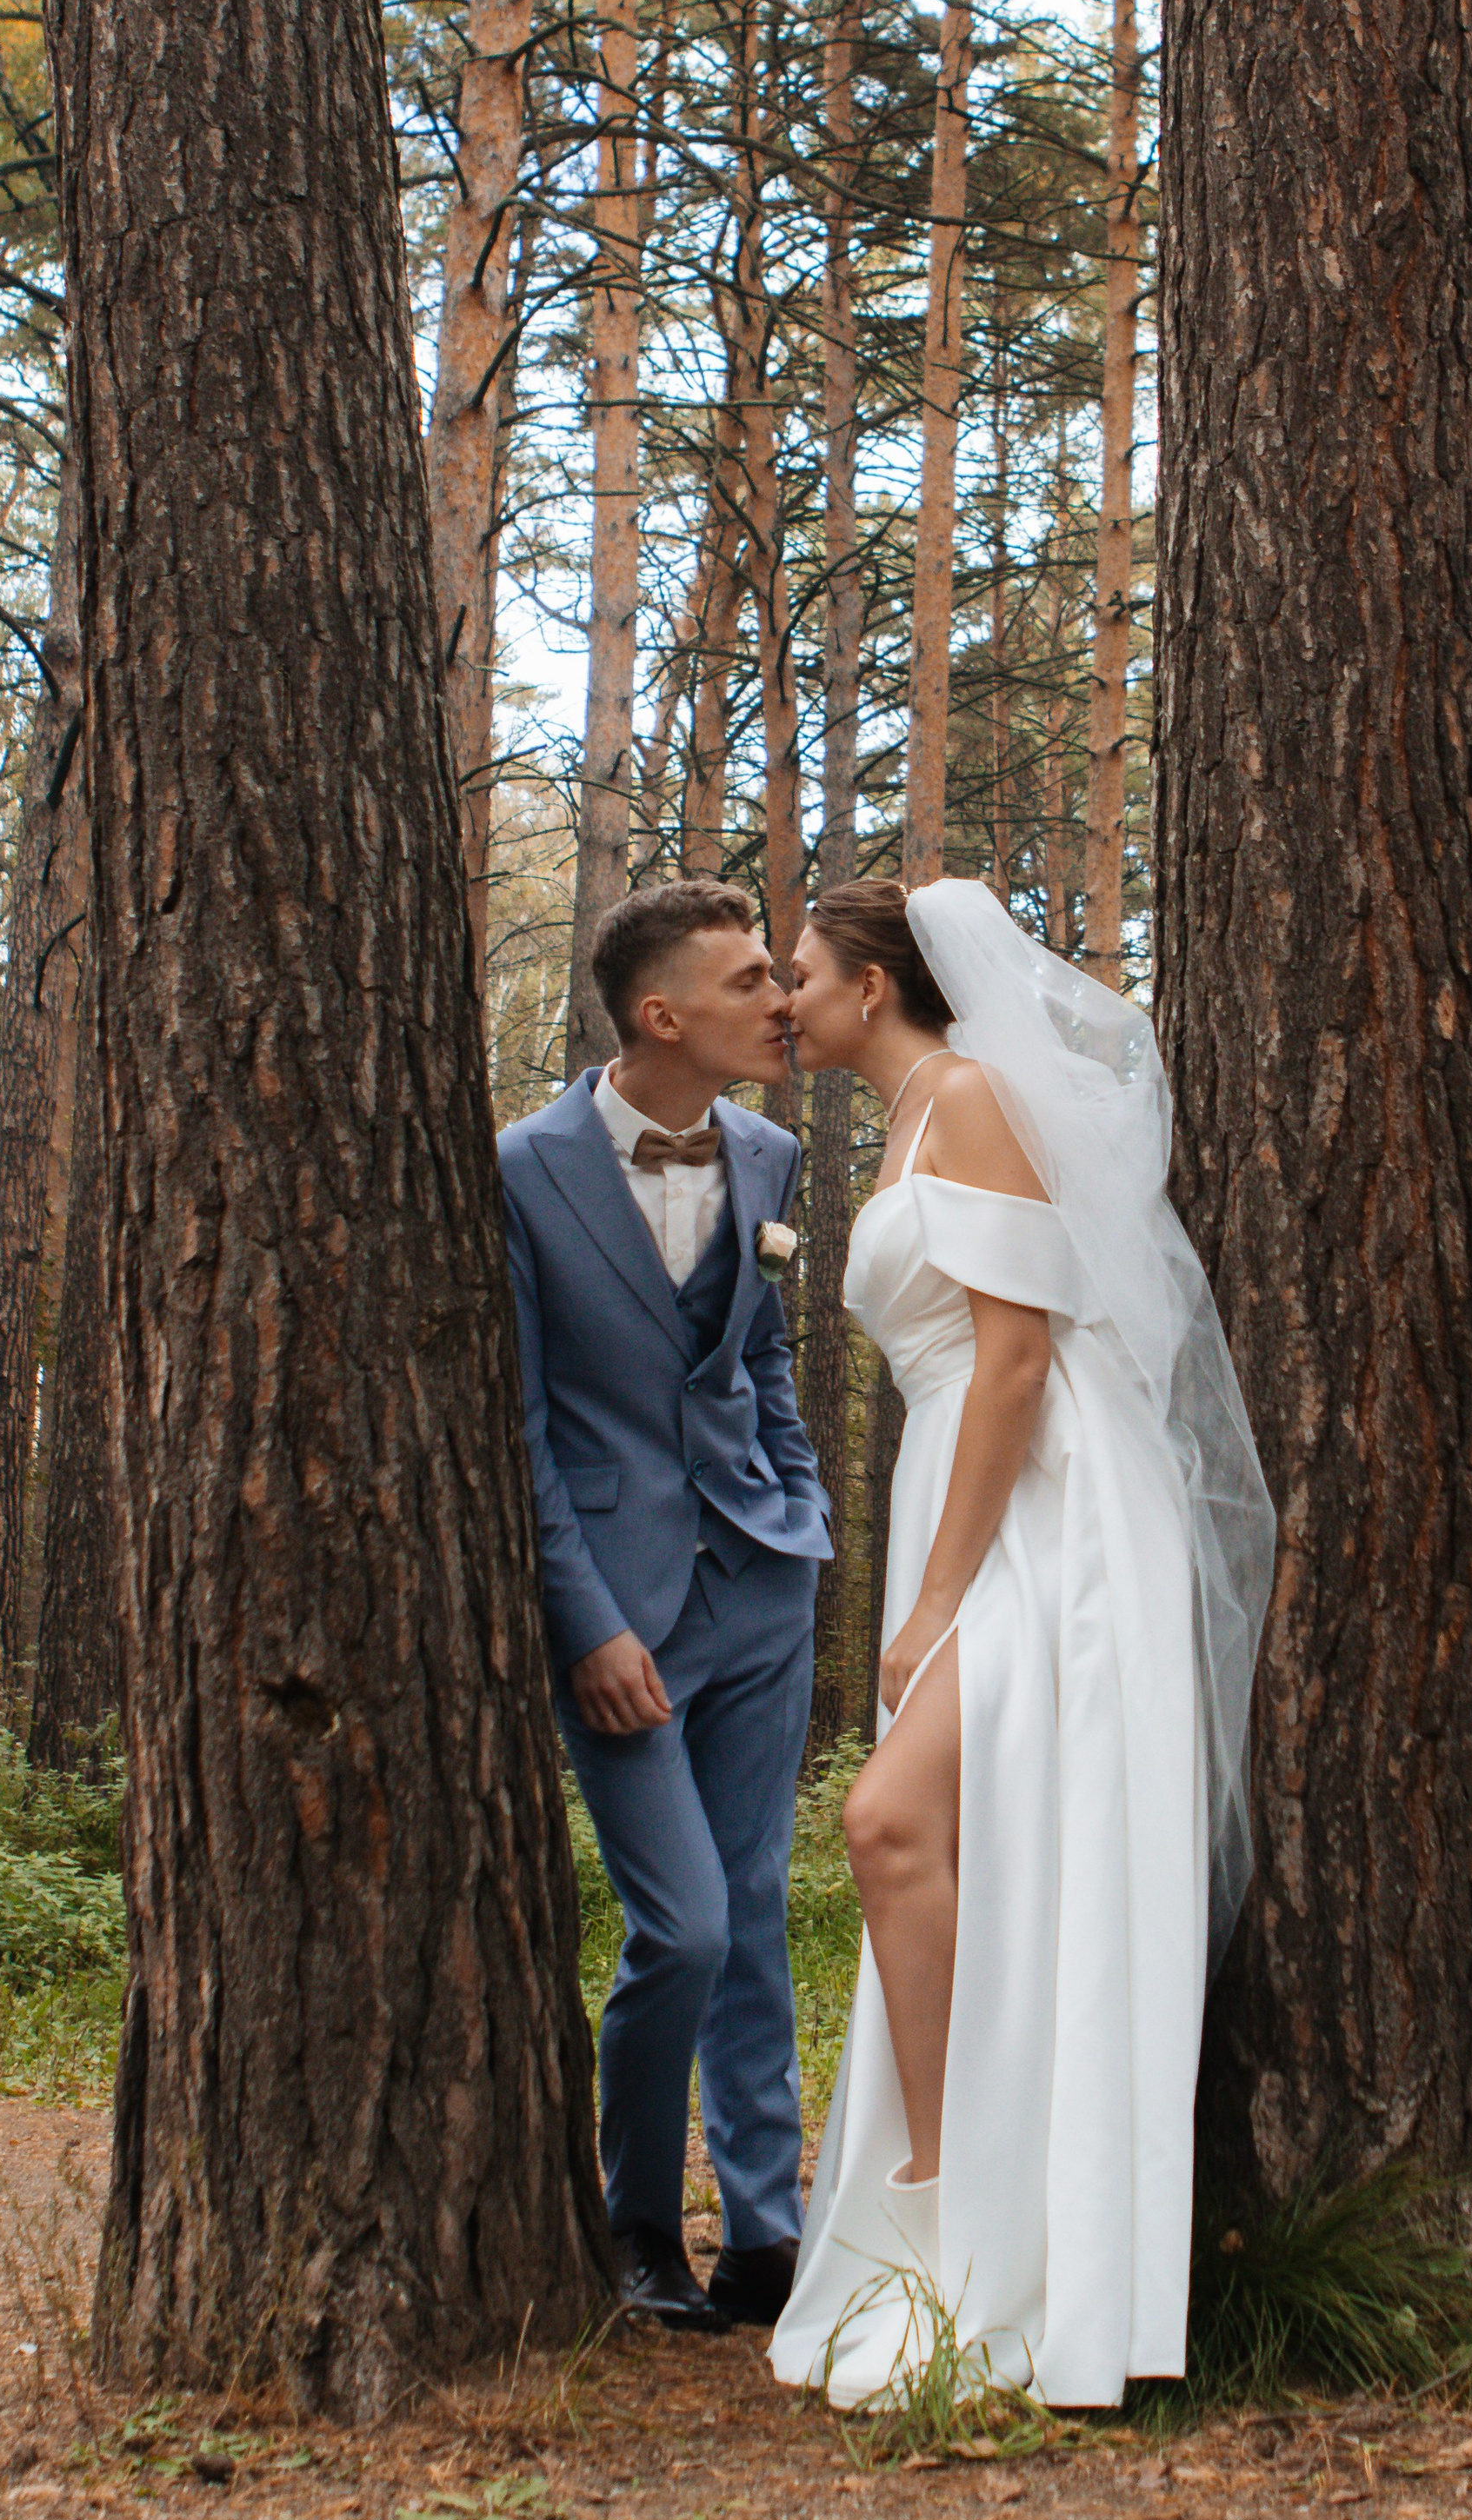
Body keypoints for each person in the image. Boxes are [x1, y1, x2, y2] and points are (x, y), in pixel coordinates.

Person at [769, 877, 1275, 2410]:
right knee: (922, 1842)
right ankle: (947, 2205)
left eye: (799, 971)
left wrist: (933, 1598)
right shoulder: (917, 1112)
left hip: (1045, 1516)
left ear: (874, 985)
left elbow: (1010, 1363)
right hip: (969, 1490)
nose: (783, 997)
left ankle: (964, 2207)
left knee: (882, 1819)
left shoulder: (974, 1096)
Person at [499, 879, 832, 2332]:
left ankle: (768, 2234)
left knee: (754, 1912)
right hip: (619, 1618)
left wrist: (802, 1509)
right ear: (662, 1015)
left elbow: (758, 1359)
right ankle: (639, 2224)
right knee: (682, 1929)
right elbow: (517, 1428)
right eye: (753, 978)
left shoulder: (768, 1152)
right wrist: (585, 1628)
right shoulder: (521, 1170)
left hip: (762, 1581)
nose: (784, 999)